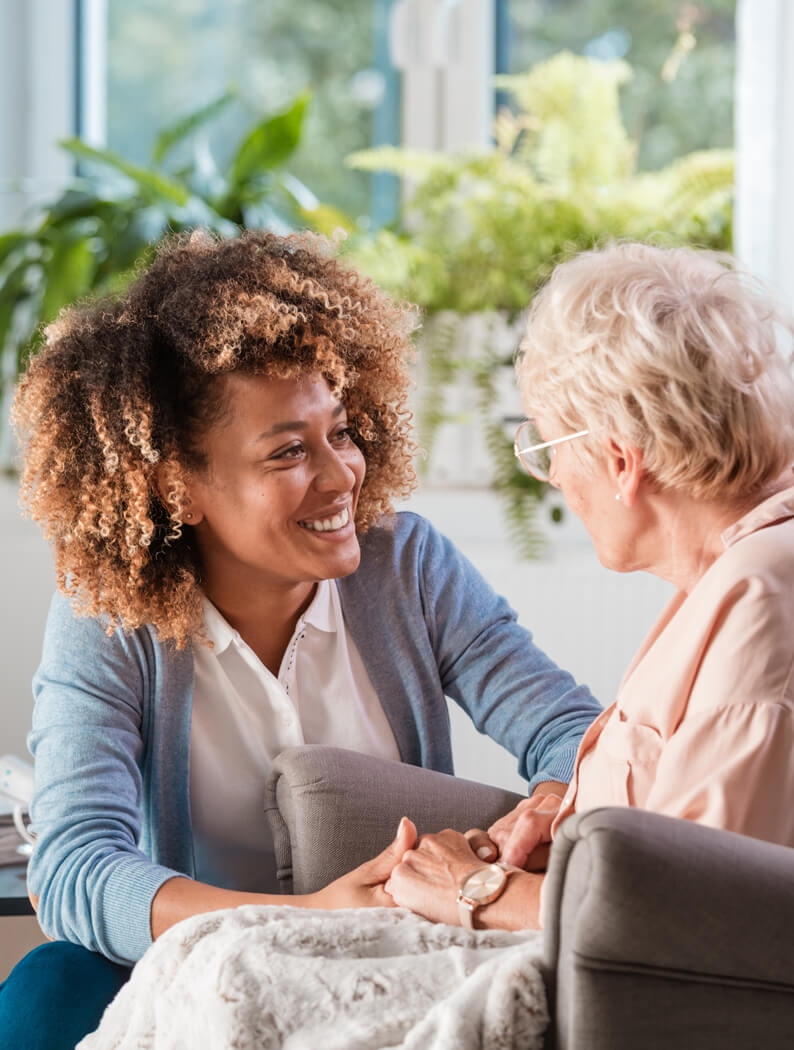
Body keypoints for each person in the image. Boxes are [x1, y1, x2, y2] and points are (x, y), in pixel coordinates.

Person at [0, 229, 601, 1049]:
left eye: (341, 432)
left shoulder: (408, 568)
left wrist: (545, 810)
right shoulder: (108, 617)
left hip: (388, 961)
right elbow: (76, 868)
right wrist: (301, 918)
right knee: (50, 986)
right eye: (288, 451)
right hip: (195, 970)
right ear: (178, 486)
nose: (342, 473)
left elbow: (575, 732)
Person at [383, 240, 794, 932]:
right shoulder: (730, 575)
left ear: (620, 461)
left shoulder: (762, 599)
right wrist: (577, 827)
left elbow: (697, 918)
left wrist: (478, 889)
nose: (554, 478)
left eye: (548, 448)